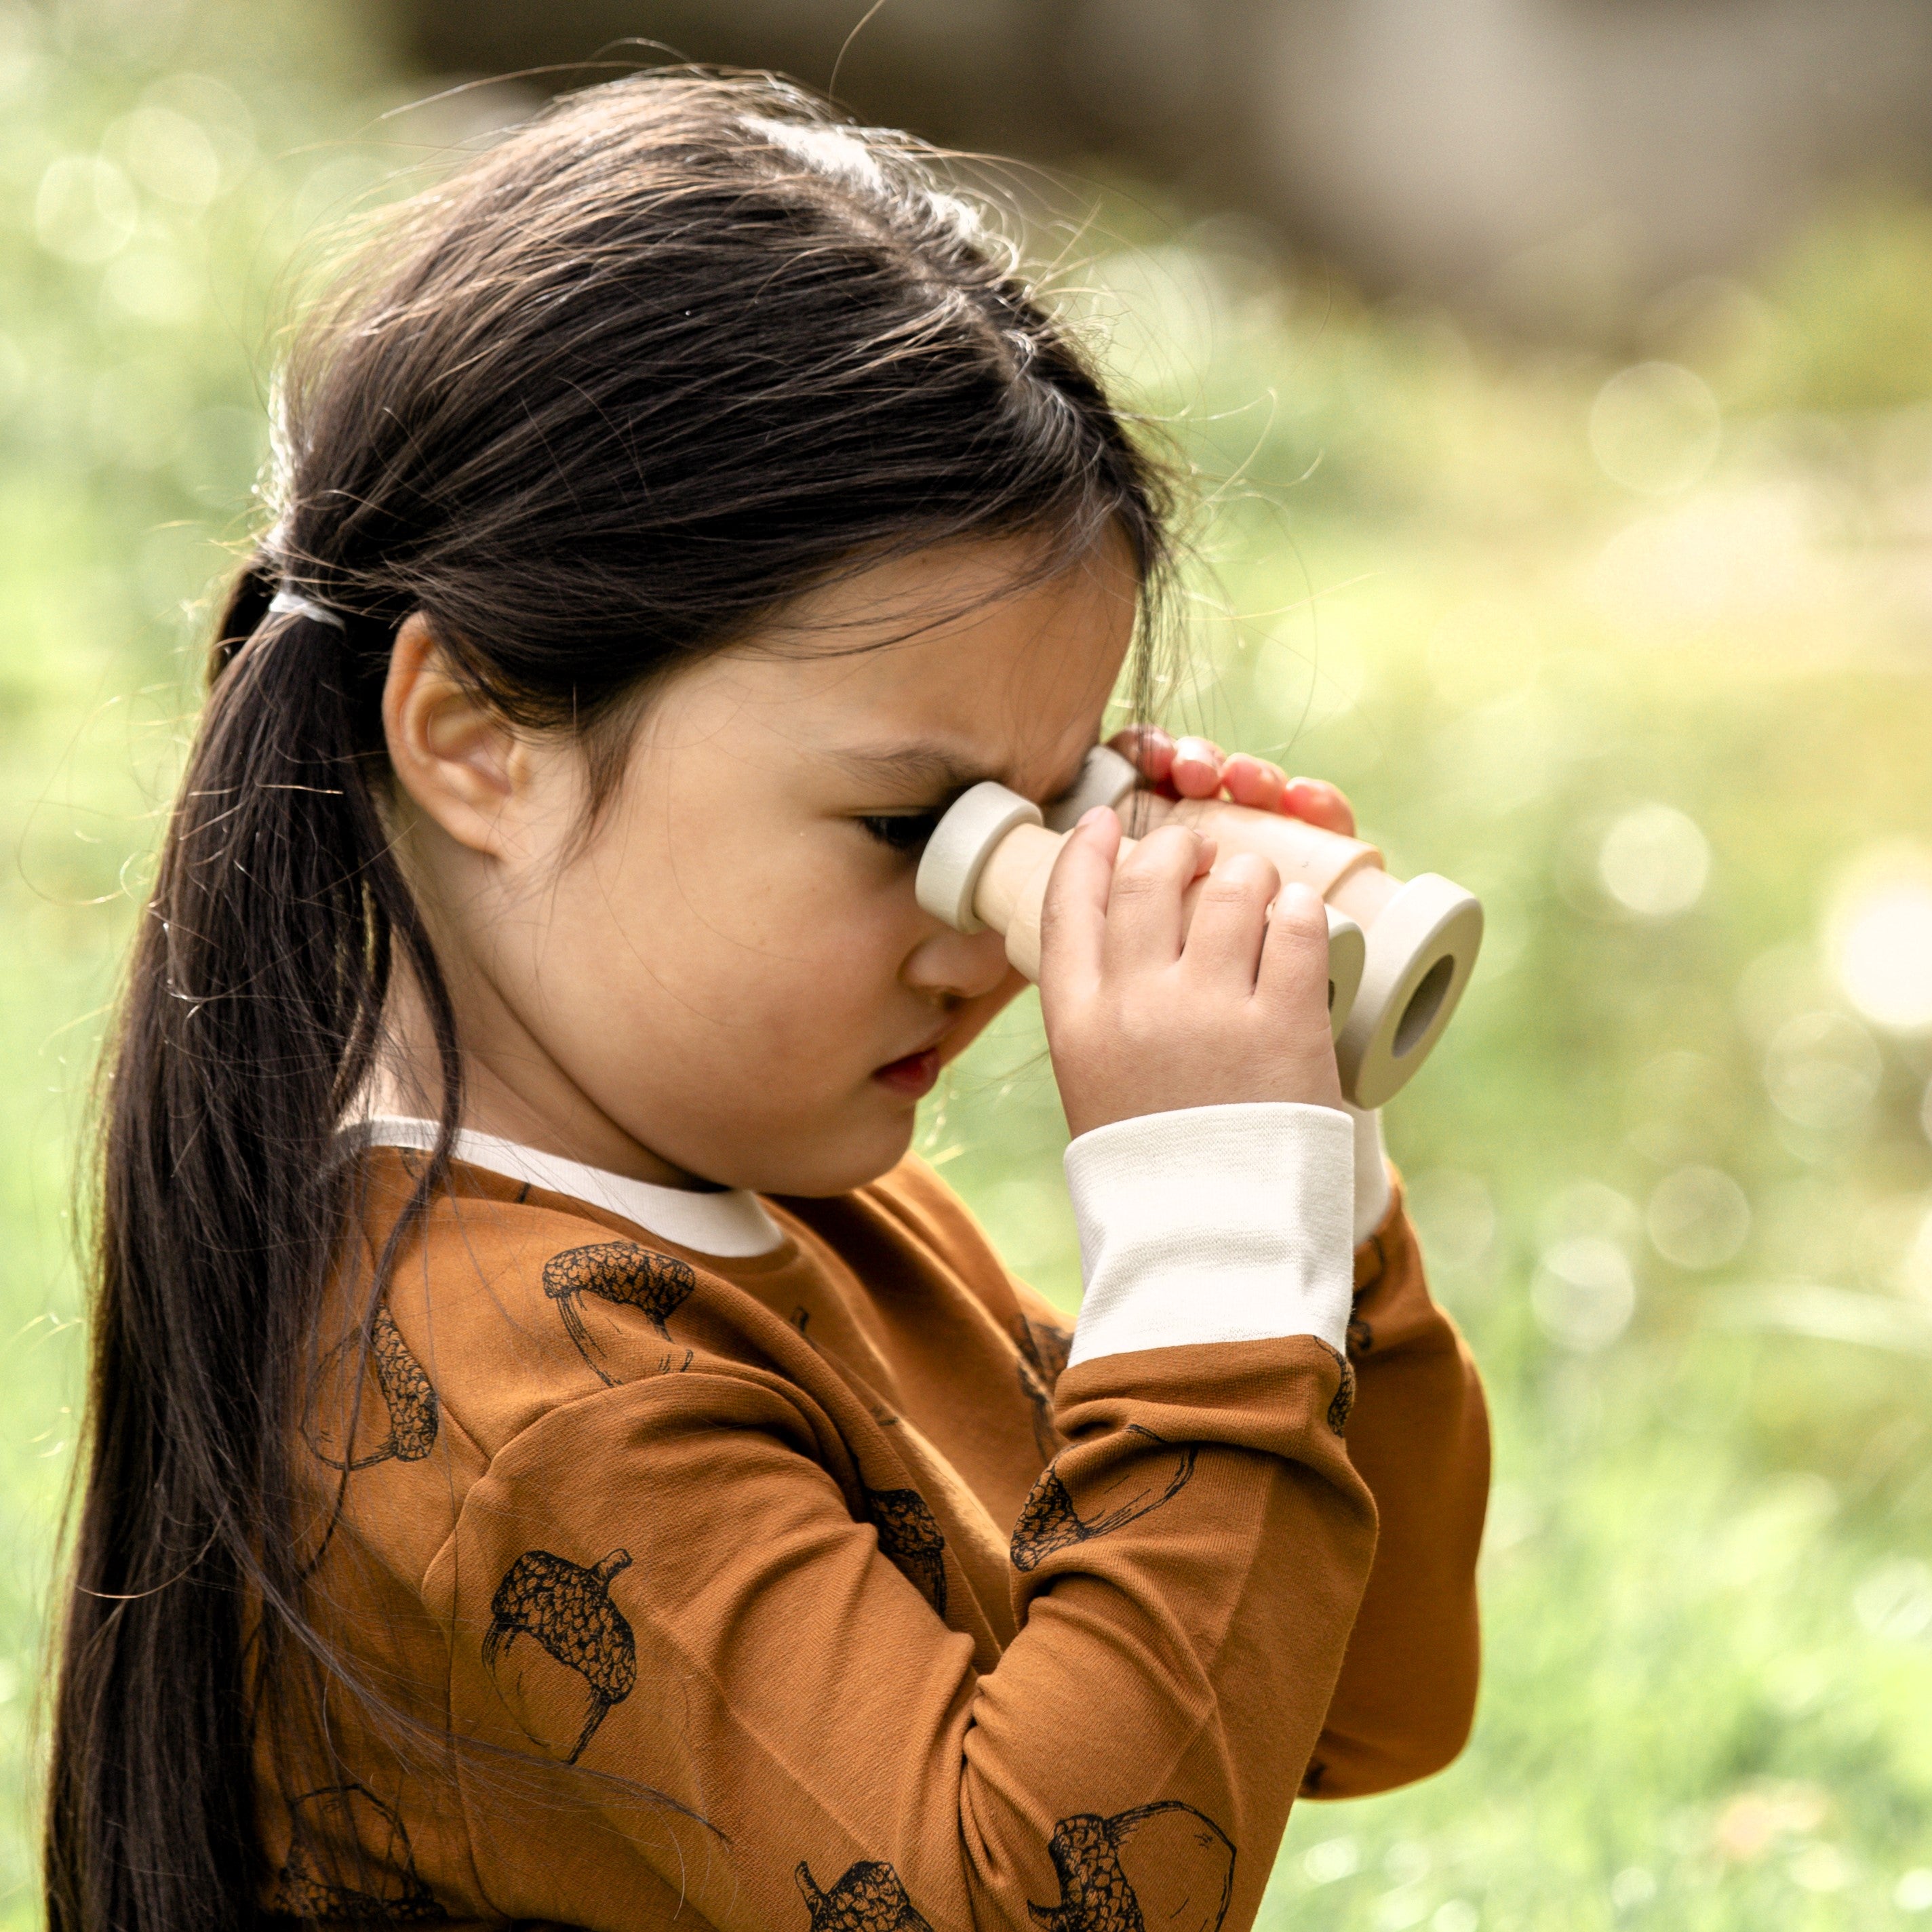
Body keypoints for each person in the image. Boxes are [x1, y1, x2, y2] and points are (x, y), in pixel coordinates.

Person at [45, 72, 1489, 1932]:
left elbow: (1353, 1696)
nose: (995, 933)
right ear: (476, 732)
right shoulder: (515, 1398)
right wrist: (1212, 1217)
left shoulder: (805, 1209)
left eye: (1057, 811)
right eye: (921, 822)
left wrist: (1309, 1167)